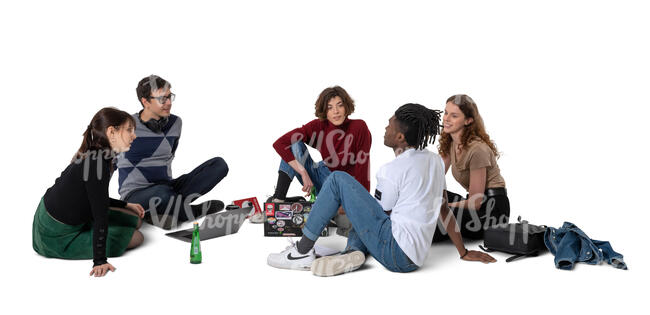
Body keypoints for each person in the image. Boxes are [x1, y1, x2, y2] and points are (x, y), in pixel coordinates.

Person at [267, 103, 496, 276]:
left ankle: (302, 251)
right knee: (364, 205)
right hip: (416, 257)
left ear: (399, 137)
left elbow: (379, 212)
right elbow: (444, 209)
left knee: (337, 179)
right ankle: (353, 254)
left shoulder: (391, 170)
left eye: (390, 124)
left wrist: (345, 203)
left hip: (395, 255)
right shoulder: (434, 161)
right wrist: (462, 252)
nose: (385, 127)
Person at [32, 107, 145, 277]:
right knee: (137, 237)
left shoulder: (101, 155)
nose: (134, 136)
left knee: (136, 220)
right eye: (129, 130)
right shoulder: (96, 162)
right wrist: (100, 260)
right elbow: (100, 215)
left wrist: (126, 204)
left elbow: (95, 196)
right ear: (111, 132)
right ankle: (85, 237)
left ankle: (93, 229)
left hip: (64, 214)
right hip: (55, 235)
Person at [115, 75, 229, 230]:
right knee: (163, 194)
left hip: (168, 186)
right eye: (162, 99)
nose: (168, 103)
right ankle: (191, 211)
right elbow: (109, 161)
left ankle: (162, 212)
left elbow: (169, 155)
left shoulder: (176, 123)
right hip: (136, 194)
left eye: (170, 97)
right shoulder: (125, 126)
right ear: (145, 101)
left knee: (219, 165)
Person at [268, 86, 371, 236]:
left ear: (346, 106)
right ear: (324, 111)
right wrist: (303, 171)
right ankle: (278, 198)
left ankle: (326, 208)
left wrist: (359, 203)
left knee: (349, 223)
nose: (335, 111)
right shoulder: (318, 126)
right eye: (330, 108)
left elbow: (363, 168)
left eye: (339, 105)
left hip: (344, 184)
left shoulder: (359, 127)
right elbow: (280, 143)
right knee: (293, 143)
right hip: (321, 174)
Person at [432, 94, 510, 242]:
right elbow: (435, 178)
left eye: (454, 116)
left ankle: (405, 240)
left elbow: (475, 202)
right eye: (446, 113)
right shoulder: (451, 143)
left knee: (438, 210)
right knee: (430, 197)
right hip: (474, 205)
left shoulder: (477, 149)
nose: (446, 119)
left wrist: (444, 205)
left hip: (492, 211)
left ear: (468, 121)